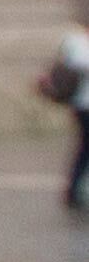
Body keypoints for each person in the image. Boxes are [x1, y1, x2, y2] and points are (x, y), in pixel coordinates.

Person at [44, 23, 89, 210]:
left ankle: (74, 188)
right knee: (85, 147)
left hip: (81, 103)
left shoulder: (75, 40)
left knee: (85, 147)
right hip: (84, 105)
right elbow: (79, 63)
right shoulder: (77, 41)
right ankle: (73, 189)